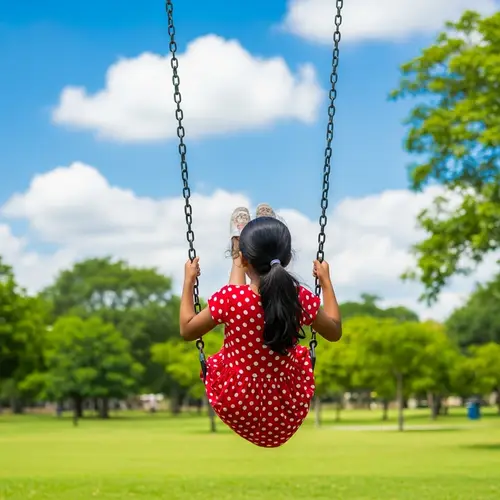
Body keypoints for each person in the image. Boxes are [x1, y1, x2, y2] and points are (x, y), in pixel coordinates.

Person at [179, 204, 342, 447]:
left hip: (239, 400)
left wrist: (189, 281)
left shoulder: (232, 300)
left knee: (234, 297)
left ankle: (239, 242)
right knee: (235, 297)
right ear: (286, 259)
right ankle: (256, 238)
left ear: (246, 261)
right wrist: (326, 282)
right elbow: (334, 331)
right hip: (285, 407)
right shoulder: (297, 297)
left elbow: (187, 329)